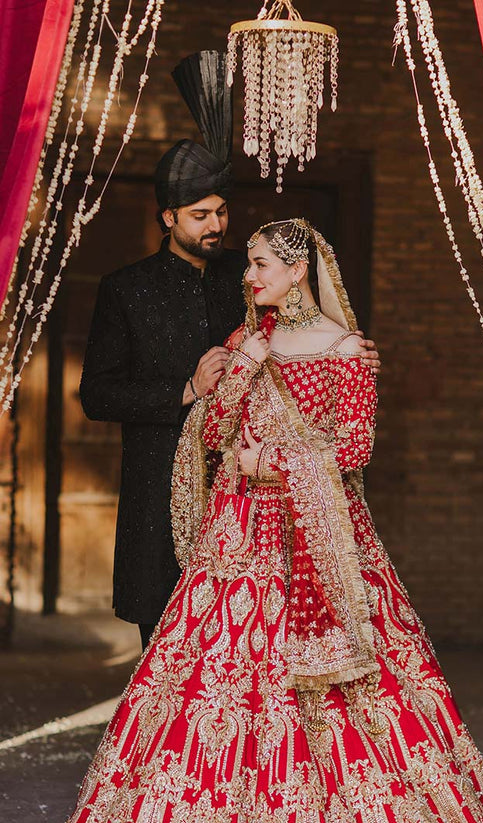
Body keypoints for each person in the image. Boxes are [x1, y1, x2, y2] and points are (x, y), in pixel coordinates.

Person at [30, 219, 483, 823]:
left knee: (352, 687)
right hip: (234, 544)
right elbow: (210, 430)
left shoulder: (348, 348)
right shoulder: (246, 341)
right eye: (250, 266)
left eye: (262, 264)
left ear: (300, 271)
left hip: (317, 540)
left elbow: (354, 448)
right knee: (208, 685)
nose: (249, 275)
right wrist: (240, 370)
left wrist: (273, 463)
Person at [79, 51, 381, 650]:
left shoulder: (247, 277)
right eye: (200, 215)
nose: (216, 225)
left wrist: (352, 352)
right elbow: (96, 393)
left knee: (243, 644)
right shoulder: (126, 290)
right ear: (168, 217)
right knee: (165, 638)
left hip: (247, 492)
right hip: (160, 474)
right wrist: (185, 392)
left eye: (222, 211)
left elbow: (304, 336)